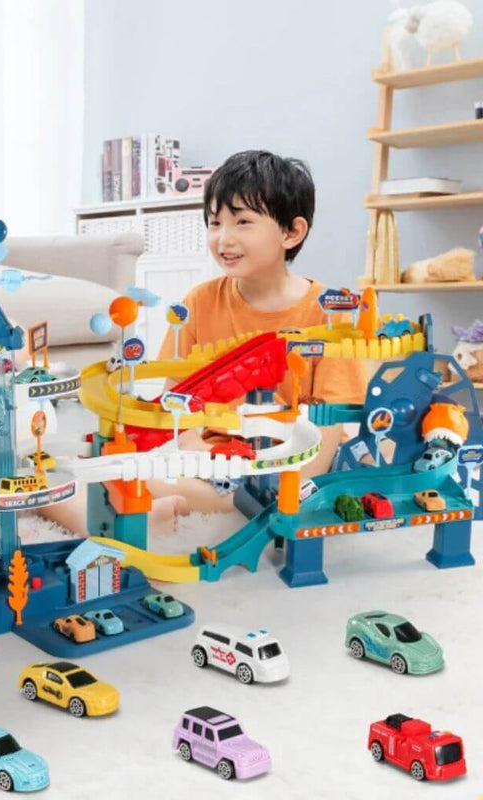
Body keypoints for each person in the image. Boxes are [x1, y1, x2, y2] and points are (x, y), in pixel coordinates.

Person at [44, 150, 367, 533]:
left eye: (242, 221)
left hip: (292, 461)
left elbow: (329, 429)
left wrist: (292, 492)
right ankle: (176, 505)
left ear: (291, 232)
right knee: (100, 469)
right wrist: (191, 444)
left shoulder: (330, 314)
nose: (223, 238)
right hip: (217, 459)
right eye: (215, 223)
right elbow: (174, 400)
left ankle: (200, 508)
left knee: (347, 472)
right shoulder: (199, 301)